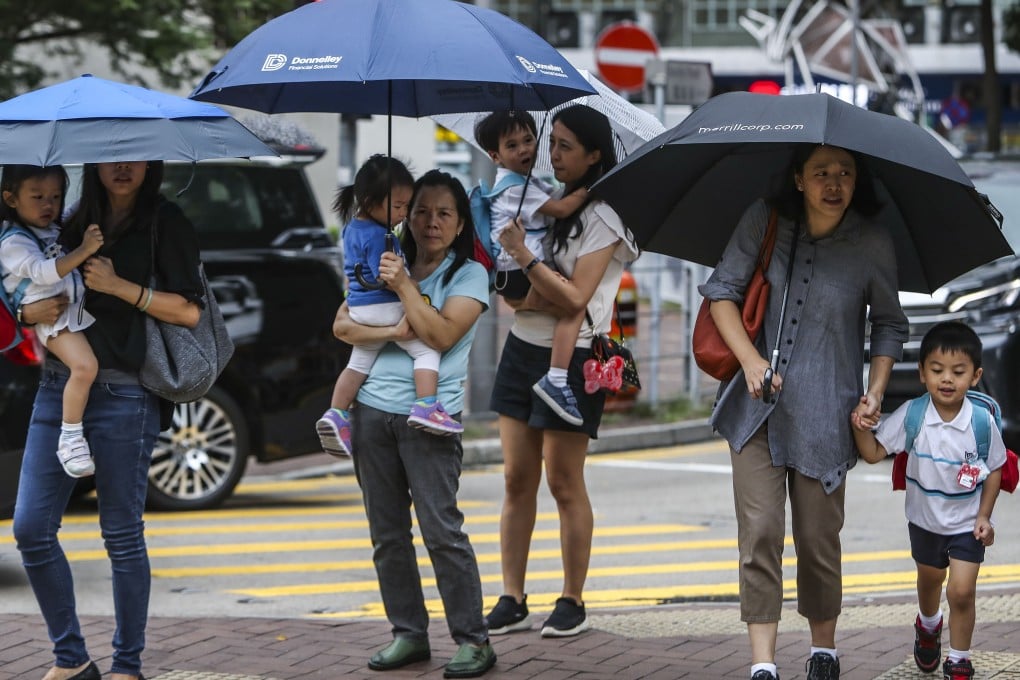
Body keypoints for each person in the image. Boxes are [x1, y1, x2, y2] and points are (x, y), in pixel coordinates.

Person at [699, 143, 909, 680]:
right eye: (821, 173)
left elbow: (889, 323)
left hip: (827, 415)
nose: (834, 183)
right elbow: (722, 292)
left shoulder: (872, 243)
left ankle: (823, 650)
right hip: (755, 412)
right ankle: (763, 663)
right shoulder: (764, 220)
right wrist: (749, 362)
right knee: (761, 531)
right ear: (798, 179)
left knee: (818, 539)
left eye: (844, 173)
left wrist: (877, 389)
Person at [14, 160, 204, 680]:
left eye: (135, 155)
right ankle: (71, 659)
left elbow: (190, 312)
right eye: (111, 156)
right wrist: (21, 314)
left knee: (121, 534)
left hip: (125, 393)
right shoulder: (68, 222)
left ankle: (126, 665)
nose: (123, 167)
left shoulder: (166, 222)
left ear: (152, 163)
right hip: (58, 390)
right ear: (93, 163)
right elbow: (22, 283)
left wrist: (123, 287)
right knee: (31, 528)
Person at [331, 169, 496, 678]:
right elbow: (341, 323)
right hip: (372, 413)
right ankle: (409, 633)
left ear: (459, 221)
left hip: (430, 421)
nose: (429, 222)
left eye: (444, 213)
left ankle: (472, 639)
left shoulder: (466, 275)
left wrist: (403, 289)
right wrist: (392, 292)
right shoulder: (383, 255)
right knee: (387, 534)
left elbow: (442, 335)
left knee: (441, 531)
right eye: (420, 210)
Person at [485, 104, 639, 638]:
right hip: (524, 347)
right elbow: (527, 291)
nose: (552, 155)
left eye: (566, 146)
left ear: (595, 155)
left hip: (573, 358)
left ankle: (572, 598)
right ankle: (511, 595)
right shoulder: (543, 201)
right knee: (515, 477)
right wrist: (521, 287)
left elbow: (575, 297)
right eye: (552, 145)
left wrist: (525, 260)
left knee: (564, 481)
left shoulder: (605, 216)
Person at [852, 321, 1003, 680]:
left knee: (962, 591)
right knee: (930, 580)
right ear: (922, 373)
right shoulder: (913, 416)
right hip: (924, 522)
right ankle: (929, 624)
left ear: (976, 375)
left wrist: (985, 515)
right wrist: (860, 427)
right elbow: (874, 453)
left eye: (958, 371)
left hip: (966, 524)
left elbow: (995, 468)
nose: (946, 379)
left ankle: (959, 657)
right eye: (937, 370)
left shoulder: (981, 422)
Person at [316, 155, 462, 458]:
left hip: (358, 308)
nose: (404, 214)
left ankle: (337, 413)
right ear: (370, 201)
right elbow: (387, 277)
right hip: (384, 305)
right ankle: (426, 405)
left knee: (358, 363)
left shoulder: (352, 228)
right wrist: (410, 284)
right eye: (398, 206)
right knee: (426, 349)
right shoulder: (380, 236)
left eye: (407, 206)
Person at [474, 110, 591, 426]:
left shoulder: (525, 181)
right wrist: (592, 187)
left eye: (528, 140)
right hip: (517, 272)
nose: (525, 149)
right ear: (495, 156)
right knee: (573, 307)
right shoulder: (513, 189)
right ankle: (556, 379)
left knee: (567, 304)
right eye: (512, 146)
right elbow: (562, 207)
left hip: (518, 272)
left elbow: (554, 197)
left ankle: (555, 375)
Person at [1, 165, 104, 478]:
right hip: (50, 319)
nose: (49, 204)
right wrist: (85, 249)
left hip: (67, 312)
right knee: (85, 367)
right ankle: (70, 438)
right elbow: (45, 271)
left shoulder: (49, 228)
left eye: (56, 196)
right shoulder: (12, 241)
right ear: (11, 198)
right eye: (38, 197)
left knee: (88, 370)